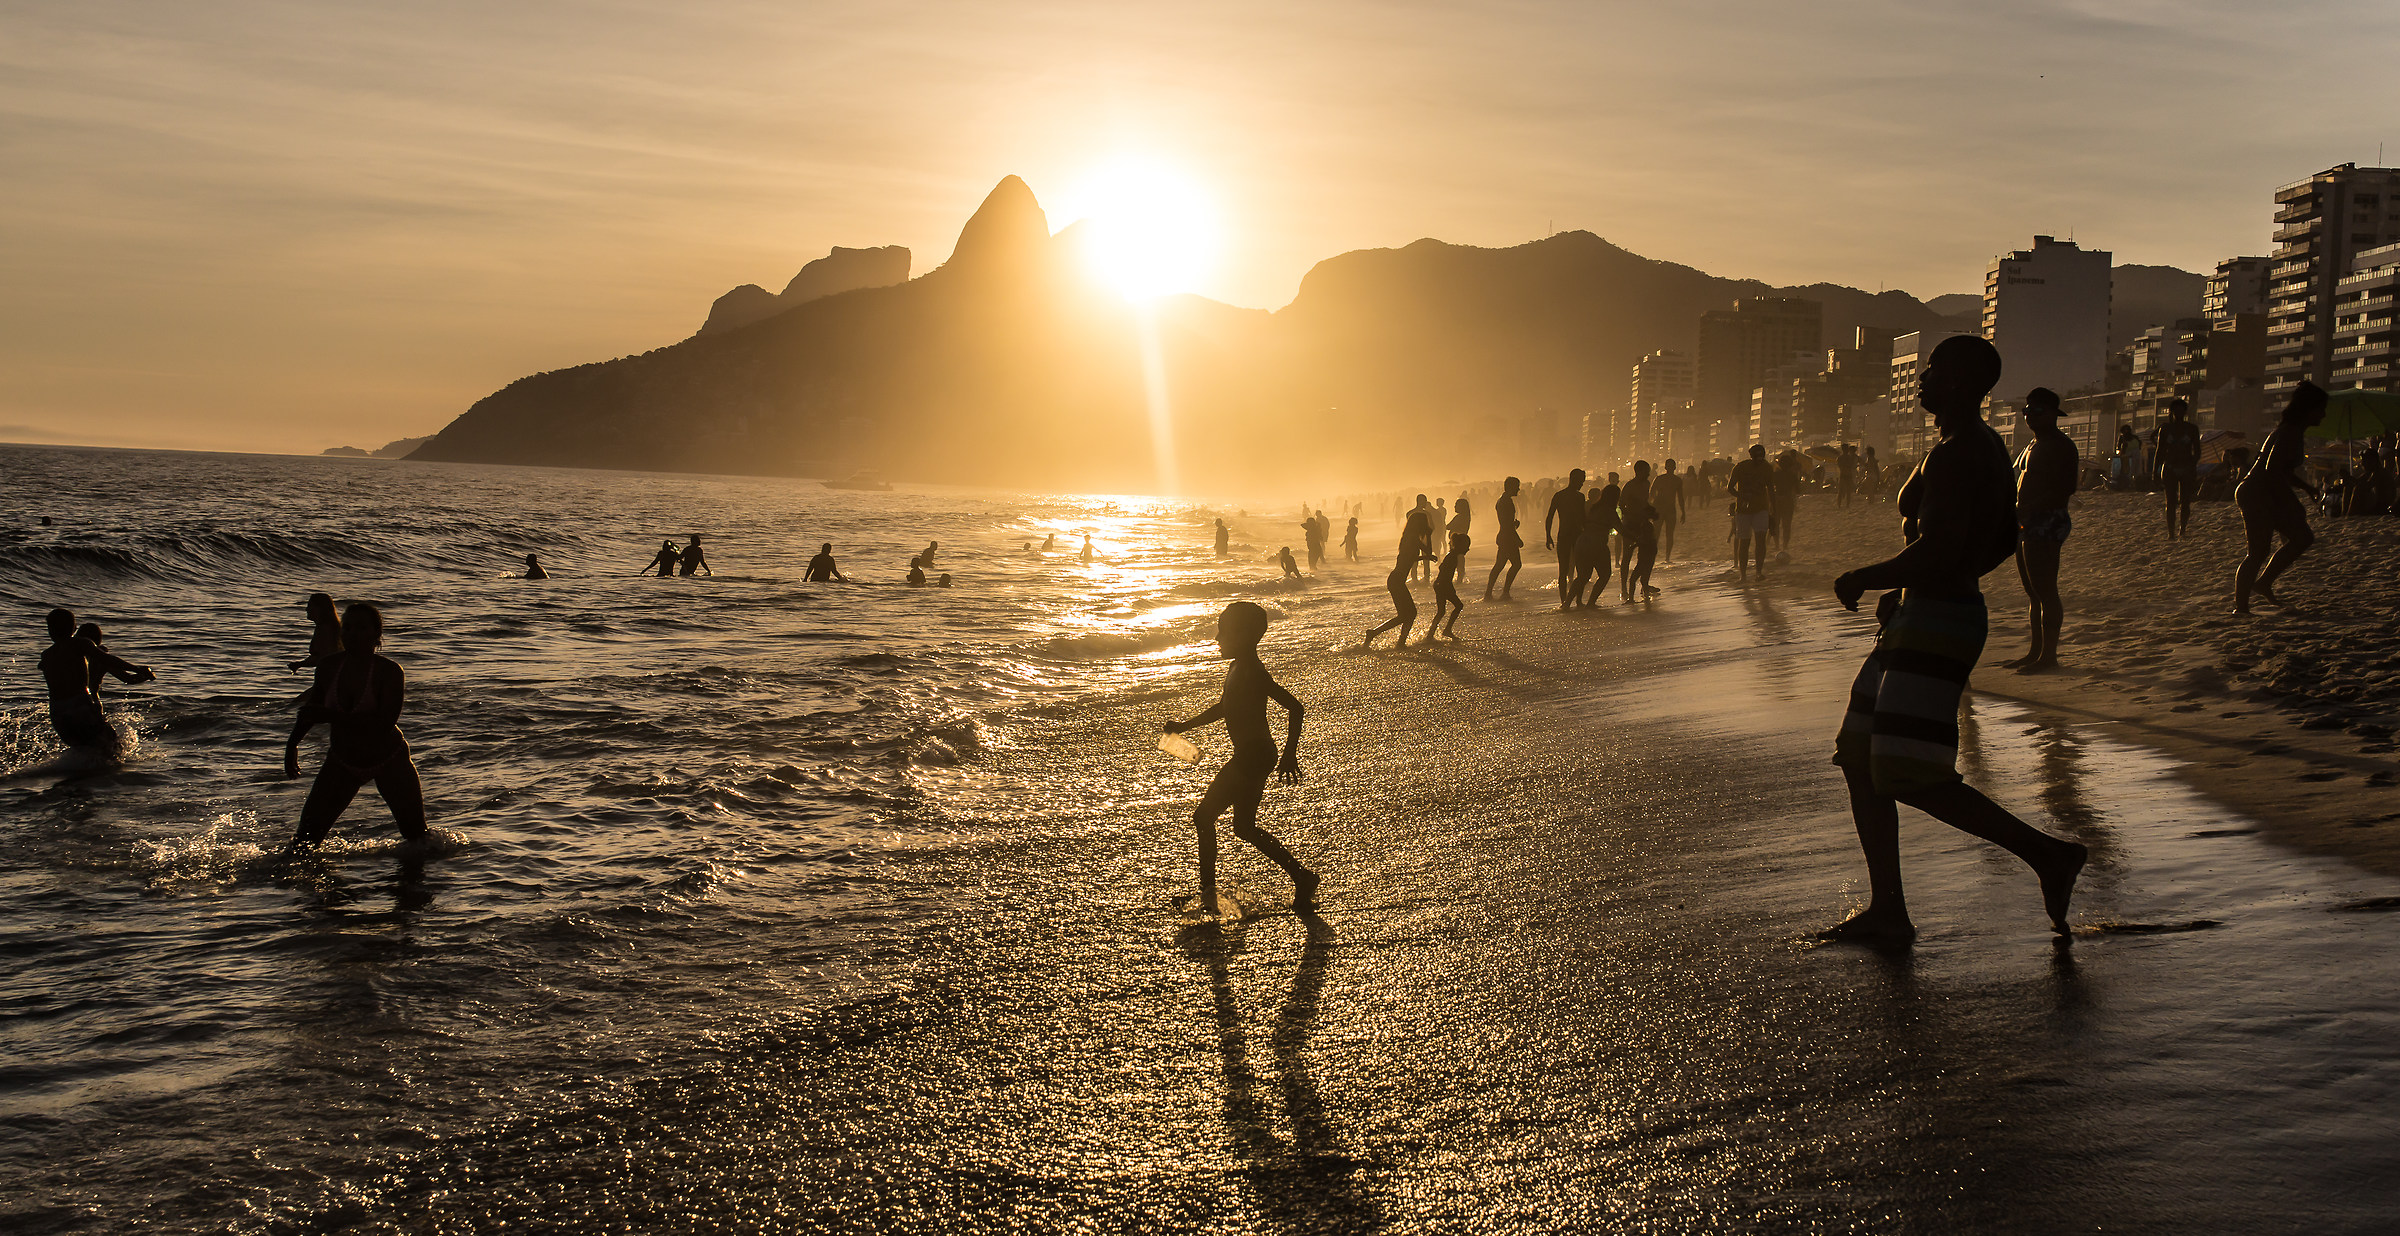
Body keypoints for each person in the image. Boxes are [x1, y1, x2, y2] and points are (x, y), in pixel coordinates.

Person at [1828, 334, 2087, 943]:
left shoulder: (1964, 450)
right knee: (1859, 757)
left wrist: (1867, 577)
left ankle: (2049, 855)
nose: (1922, 379)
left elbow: (1946, 546)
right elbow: (1992, 540)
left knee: (1907, 772)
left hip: (1939, 622)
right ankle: (1888, 909)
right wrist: (1908, 584)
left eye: (1934, 371)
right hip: (1921, 613)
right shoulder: (1970, 445)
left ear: (1962, 383)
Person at [1162, 602, 1318, 916]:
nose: (1217, 638)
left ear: (1244, 636)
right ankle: (1302, 877)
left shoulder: (1253, 671)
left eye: (1224, 632)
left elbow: (1295, 707)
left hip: (1254, 756)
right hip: (1253, 755)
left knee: (1203, 817)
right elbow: (1224, 707)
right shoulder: (1237, 667)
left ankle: (1208, 896)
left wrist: (1290, 755)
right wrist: (1184, 726)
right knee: (1244, 827)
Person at [284, 603, 428, 853]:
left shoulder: (389, 671)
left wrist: (333, 716)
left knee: (417, 838)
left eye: (361, 628)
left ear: (376, 635)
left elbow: (384, 724)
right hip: (342, 760)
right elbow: (311, 710)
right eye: (347, 628)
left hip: (389, 759)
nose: (352, 634)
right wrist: (292, 745)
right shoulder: (328, 667)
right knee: (304, 843)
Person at [2234, 381, 2329, 615]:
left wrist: (2306, 488)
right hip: (2256, 492)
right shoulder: (2290, 432)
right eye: (2320, 409)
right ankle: (2241, 607)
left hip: (2264, 491)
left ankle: (2264, 583)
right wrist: (2292, 502)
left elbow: (2283, 471)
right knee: (2258, 552)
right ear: (2308, 409)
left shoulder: (2292, 431)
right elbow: (2272, 469)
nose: (2323, 415)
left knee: (2302, 538)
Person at [2001, 388, 2077, 673]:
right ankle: (2035, 651)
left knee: (2046, 589)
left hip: (2047, 520)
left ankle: (2048, 656)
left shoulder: (2061, 445)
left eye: (2036, 411)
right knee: (2032, 591)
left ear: (2052, 414)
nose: (2029, 416)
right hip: (2027, 521)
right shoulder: (2032, 444)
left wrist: (2031, 508)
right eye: (2027, 411)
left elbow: (2066, 488)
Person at [284, 592, 342, 778]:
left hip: (328, 683)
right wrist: (301, 664)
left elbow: (323, 658)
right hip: (331, 682)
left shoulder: (325, 628)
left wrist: (300, 664)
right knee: (296, 707)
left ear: (320, 609)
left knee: (293, 709)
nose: (307, 609)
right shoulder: (330, 627)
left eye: (310, 605)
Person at [1363, 506, 1429, 648]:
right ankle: (1385, 637)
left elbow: (1410, 557)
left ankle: (1385, 637)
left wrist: (1425, 557)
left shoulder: (1409, 538)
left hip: (1396, 580)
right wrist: (1428, 535)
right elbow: (1425, 551)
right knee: (1409, 614)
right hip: (1397, 581)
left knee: (1407, 614)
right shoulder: (1413, 539)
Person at [2156, 398, 2203, 539]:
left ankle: (2182, 529)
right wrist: (2155, 470)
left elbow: (2197, 451)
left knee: (2185, 501)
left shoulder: (2192, 429)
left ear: (2185, 412)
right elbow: (2159, 451)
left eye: (2181, 410)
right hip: (2169, 467)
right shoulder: (2165, 429)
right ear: (2172, 412)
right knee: (2170, 502)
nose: (2179, 413)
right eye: (2176, 410)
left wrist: (2192, 465)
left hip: (2186, 467)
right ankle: (2171, 533)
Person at [1544, 468, 1588, 610]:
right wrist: (1548, 536)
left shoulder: (1566, 496)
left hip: (1570, 535)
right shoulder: (1567, 496)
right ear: (1574, 479)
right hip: (1570, 535)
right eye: (1581, 481)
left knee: (1575, 570)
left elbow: (1582, 518)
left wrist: (1548, 535)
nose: (1582, 484)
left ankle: (1572, 601)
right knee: (1568, 570)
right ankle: (1567, 601)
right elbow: (1550, 516)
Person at [1729, 445, 1775, 581]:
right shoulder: (1740, 467)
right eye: (1757, 457)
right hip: (1743, 510)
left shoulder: (1767, 468)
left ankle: (1758, 573)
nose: (1759, 460)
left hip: (1761, 508)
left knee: (1760, 540)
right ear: (1751, 456)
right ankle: (1743, 575)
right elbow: (1730, 488)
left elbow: (1771, 490)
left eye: (1761, 457)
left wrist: (1774, 510)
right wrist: (1742, 496)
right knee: (1744, 542)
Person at [1619, 460, 1660, 600]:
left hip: (1643, 524)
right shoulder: (1629, 486)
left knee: (1646, 555)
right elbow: (1621, 505)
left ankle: (1644, 585)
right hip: (1630, 525)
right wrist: (1631, 515)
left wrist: (1651, 511)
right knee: (1627, 556)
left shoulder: (1646, 484)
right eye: (1646, 471)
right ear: (1639, 471)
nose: (1648, 474)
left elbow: (1644, 503)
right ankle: (1624, 588)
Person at [1575, 474, 1617, 608]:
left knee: (1583, 576)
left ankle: (1569, 603)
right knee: (1604, 574)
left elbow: (1580, 522)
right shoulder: (1605, 509)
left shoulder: (1588, 506)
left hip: (1583, 541)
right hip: (1597, 544)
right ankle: (1590, 602)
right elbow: (1619, 527)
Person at [1427, 533, 1470, 644]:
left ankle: (1430, 634)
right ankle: (1447, 630)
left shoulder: (1450, 554)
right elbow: (1460, 572)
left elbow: (1443, 570)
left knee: (1441, 611)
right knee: (1459, 606)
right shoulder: (1458, 556)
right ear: (1461, 546)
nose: (1468, 549)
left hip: (1438, 584)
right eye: (1467, 546)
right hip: (1443, 585)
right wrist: (1458, 583)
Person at [1485, 477, 1524, 600]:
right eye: (1517, 486)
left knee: (1500, 565)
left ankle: (1490, 593)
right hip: (1508, 537)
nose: (1518, 489)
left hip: (1505, 536)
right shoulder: (1506, 502)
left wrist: (1514, 526)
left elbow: (1506, 522)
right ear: (1511, 487)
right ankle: (1504, 593)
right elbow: (1506, 524)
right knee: (1515, 564)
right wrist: (1517, 538)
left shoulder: (1502, 500)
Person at [1772, 450, 1804, 551]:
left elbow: (1770, 487)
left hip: (1777, 500)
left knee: (1776, 524)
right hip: (1788, 500)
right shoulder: (1792, 475)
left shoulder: (1776, 474)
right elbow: (1798, 490)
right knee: (1786, 525)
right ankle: (1785, 546)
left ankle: (1777, 545)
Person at [1656, 458, 1686, 563]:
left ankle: (1665, 557)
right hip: (1663, 509)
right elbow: (1651, 494)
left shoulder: (1663, 479)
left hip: (1666, 509)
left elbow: (1680, 497)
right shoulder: (1674, 480)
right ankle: (1664, 557)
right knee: (1663, 534)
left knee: (1664, 534)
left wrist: (1683, 512)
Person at [1837, 444, 1858, 509]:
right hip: (1848, 475)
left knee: (1841, 491)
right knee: (1848, 491)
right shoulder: (1849, 458)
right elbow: (1852, 466)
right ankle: (1847, 505)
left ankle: (1839, 505)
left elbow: (1840, 466)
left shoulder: (1840, 458)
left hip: (1843, 474)